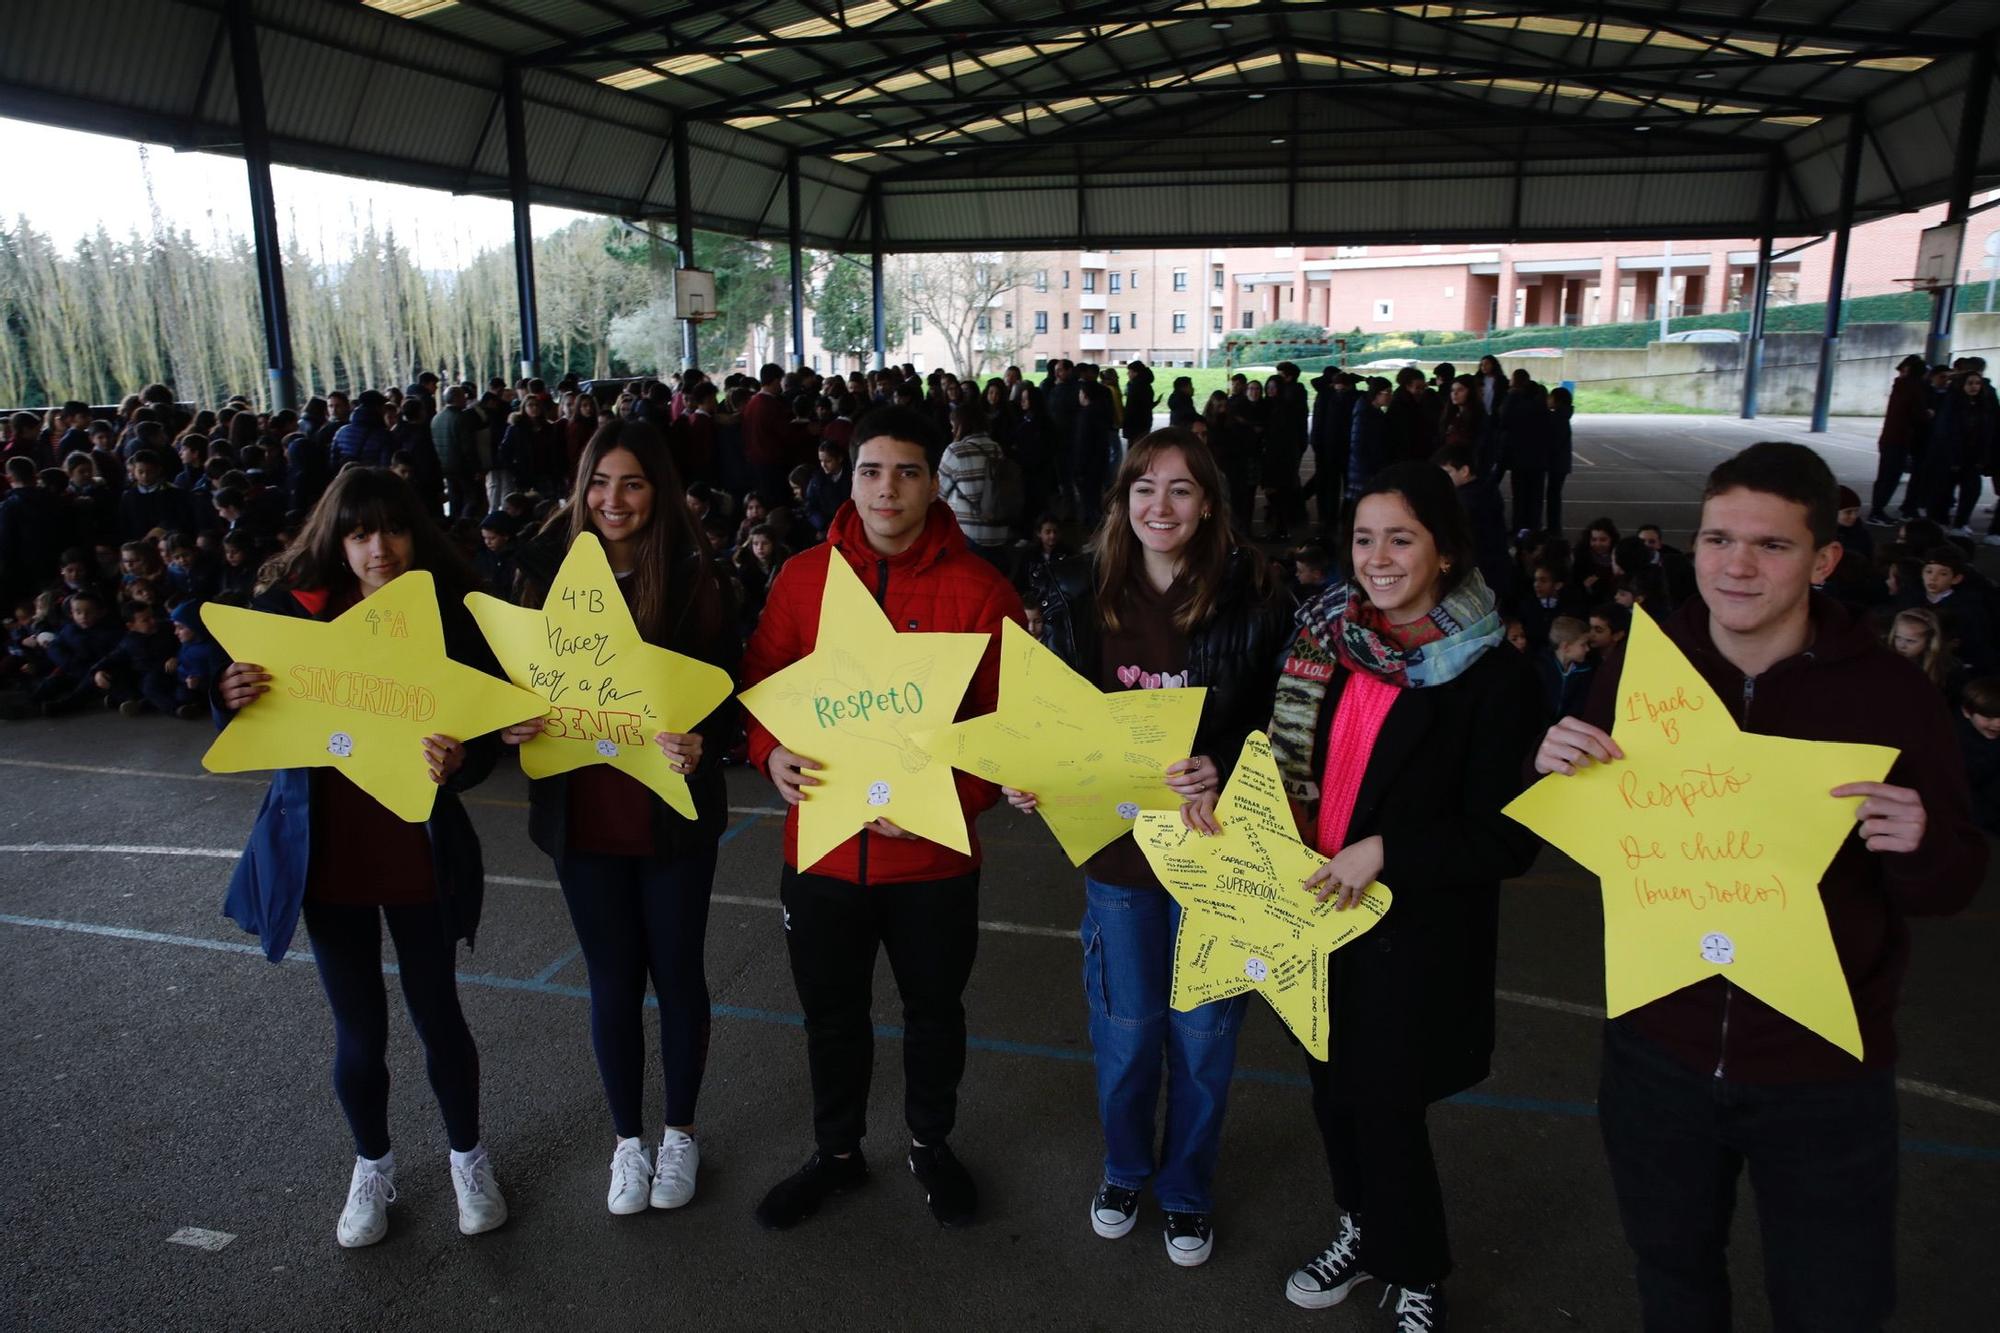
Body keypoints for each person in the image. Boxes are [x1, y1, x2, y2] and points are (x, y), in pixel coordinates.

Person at [1532, 440, 1985, 1332]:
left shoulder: (1892, 696)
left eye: (1771, 545)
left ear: (1823, 560)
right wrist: (1550, 762)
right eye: (1717, 538)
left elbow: (1953, 880)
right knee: (1672, 1278)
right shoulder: (1640, 670)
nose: (1735, 564)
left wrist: (1923, 843)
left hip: (1822, 1069)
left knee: (1833, 1301)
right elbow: (1596, 814)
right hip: (1657, 1052)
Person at [1271, 461, 1544, 1330]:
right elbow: (1280, 759)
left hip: (1410, 933)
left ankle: (1415, 1265)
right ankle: (1360, 1228)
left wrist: (1386, 850)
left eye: (1401, 537)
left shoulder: (1490, 676)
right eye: (1363, 538)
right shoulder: (1333, 642)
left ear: (1446, 549)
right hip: (1317, 917)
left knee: (1386, 1107)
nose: (1378, 557)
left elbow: (1509, 837)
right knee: (1330, 1092)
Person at [212, 466, 511, 1248]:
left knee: (438, 1013)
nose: (379, 548)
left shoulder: (451, 616)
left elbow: (485, 737)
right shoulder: (288, 611)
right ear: (336, 539)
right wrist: (229, 691)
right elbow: (253, 709)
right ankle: (371, 1165)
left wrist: (461, 760)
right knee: (358, 1028)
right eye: (360, 532)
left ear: (416, 533)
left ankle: (468, 1159)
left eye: (394, 529)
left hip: (417, 847)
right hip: (329, 852)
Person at [742, 406, 1024, 1232]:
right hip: (824, 857)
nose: (887, 488)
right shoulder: (802, 578)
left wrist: (949, 796)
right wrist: (768, 754)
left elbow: (1011, 728)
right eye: (871, 471)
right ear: (848, 478)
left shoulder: (980, 590)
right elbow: (760, 679)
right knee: (832, 1018)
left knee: (935, 1013)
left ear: (933, 483)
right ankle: (836, 1153)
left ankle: (930, 1144)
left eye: (906, 471)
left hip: (932, 864)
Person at [1019, 428, 1290, 1268]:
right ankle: (1127, 1168)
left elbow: (1291, 727)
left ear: (1209, 502)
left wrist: (1237, 763)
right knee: (1128, 1030)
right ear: (1121, 501)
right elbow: (1052, 720)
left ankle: (1186, 1188)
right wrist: (1036, 774)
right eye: (1143, 488)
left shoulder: (1255, 596)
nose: (1159, 506)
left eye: (1179, 489)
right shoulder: (1077, 592)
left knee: (1204, 1036)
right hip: (1121, 860)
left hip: (1216, 858)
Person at [501, 420, 739, 1217]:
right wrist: (508, 720)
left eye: (632, 482)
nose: (613, 499)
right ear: (581, 487)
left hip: (671, 812)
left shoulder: (702, 577)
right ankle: (626, 1144)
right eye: (599, 482)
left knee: (677, 974)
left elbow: (736, 695)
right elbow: (503, 678)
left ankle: (680, 1133)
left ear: (659, 490)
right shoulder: (537, 574)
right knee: (610, 980)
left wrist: (710, 741)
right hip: (582, 813)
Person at [1869, 354, 1930, 524]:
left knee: (1887, 476)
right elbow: (1918, 415)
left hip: (1892, 438)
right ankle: (1876, 511)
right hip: (1899, 439)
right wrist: (1928, 414)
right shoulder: (1913, 388)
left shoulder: (1901, 386)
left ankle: (1877, 510)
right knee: (1889, 477)